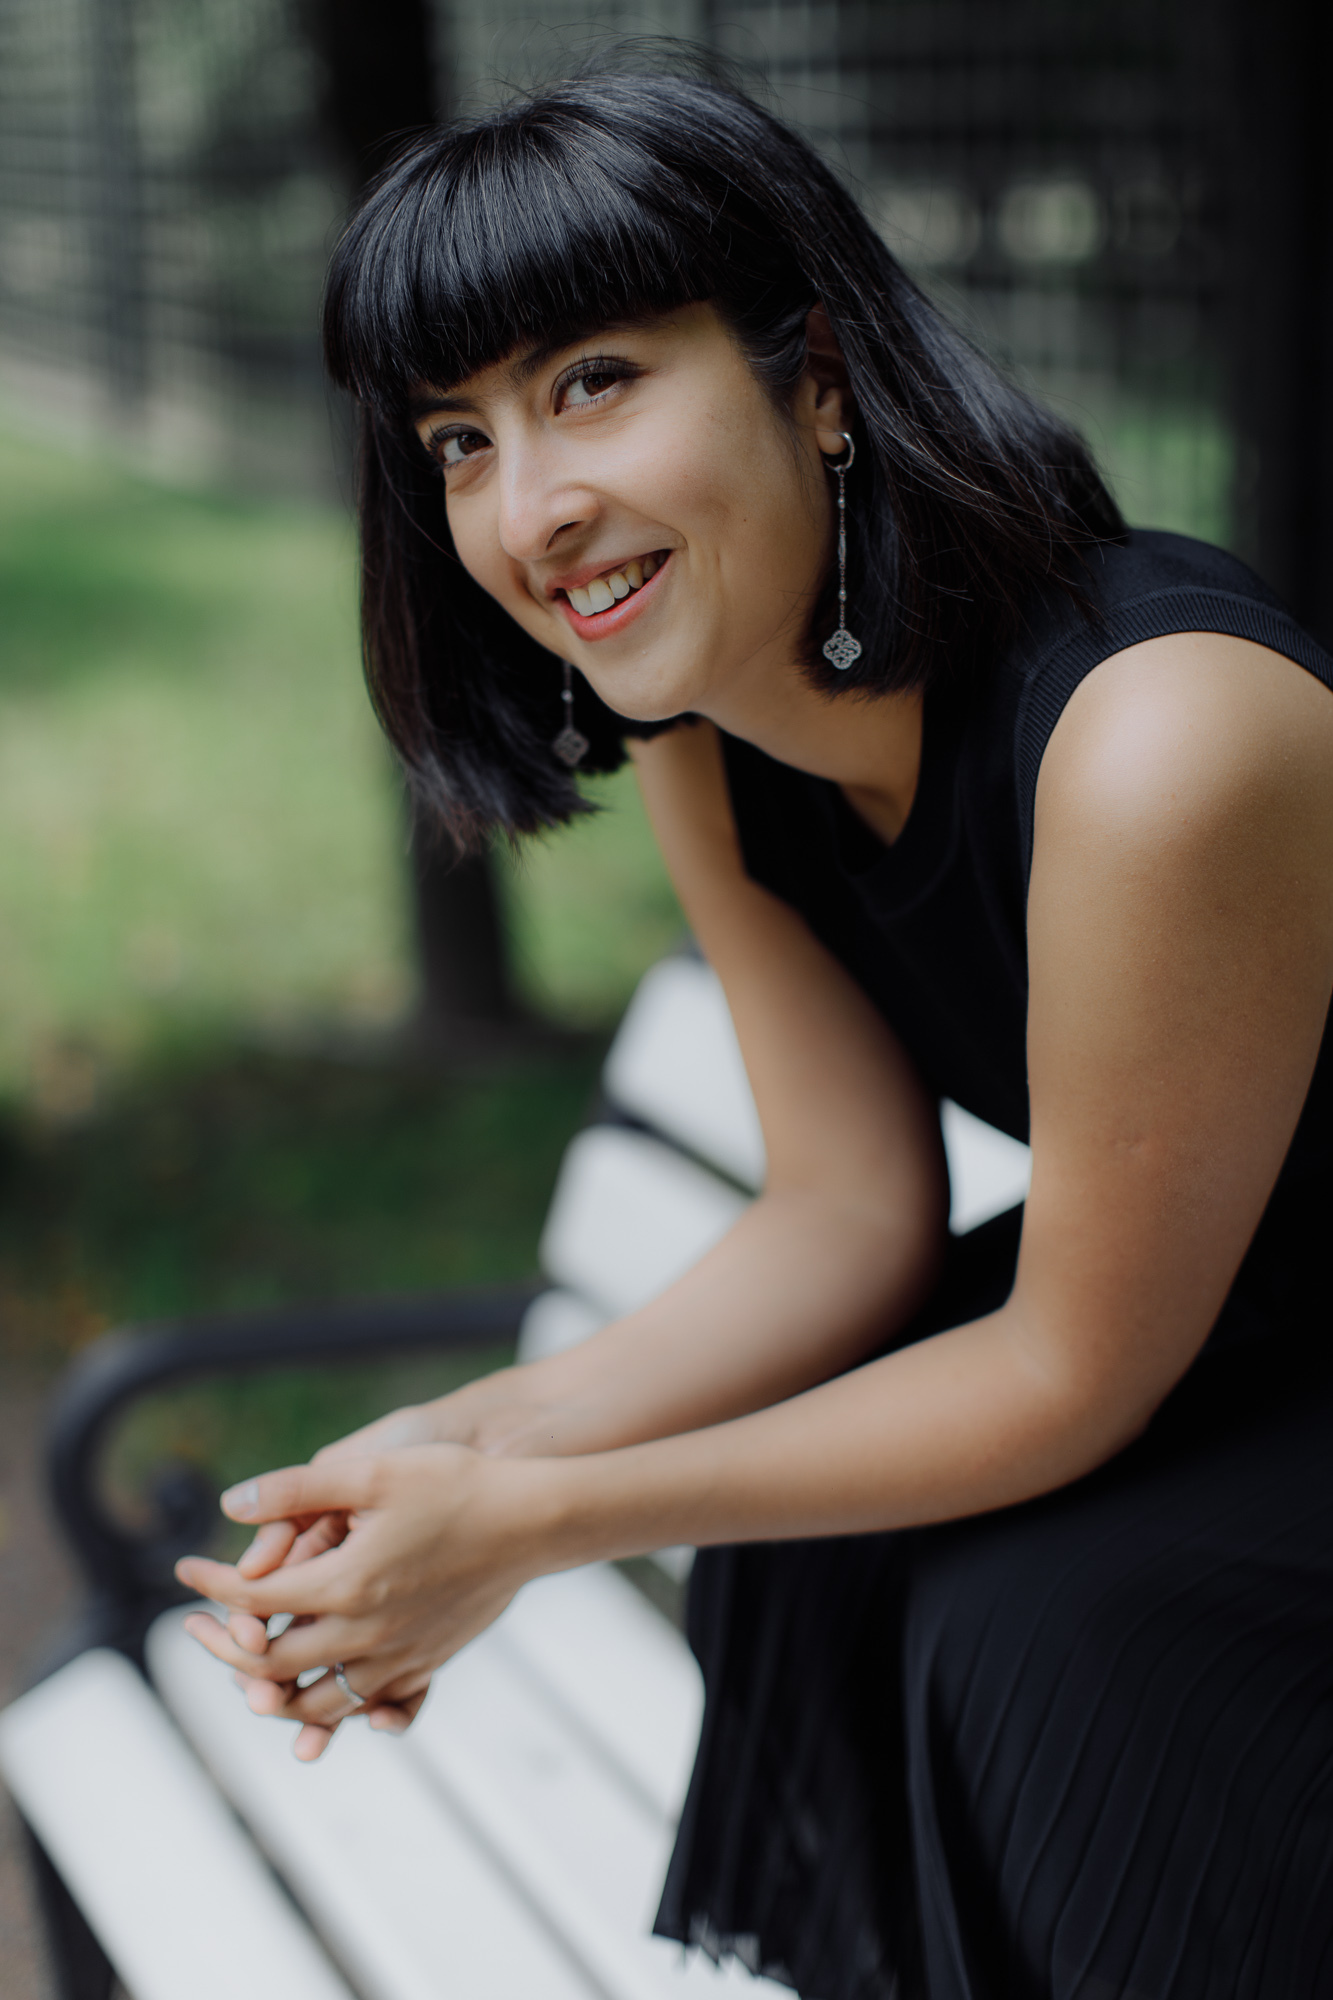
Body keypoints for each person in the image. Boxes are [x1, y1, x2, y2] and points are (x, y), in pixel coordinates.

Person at [176, 64, 1333, 2000]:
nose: (528, 510)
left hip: (1208, 1336)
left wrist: (533, 1518)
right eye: (457, 440)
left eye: (592, 382)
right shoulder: (713, 740)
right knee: (839, 1550)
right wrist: (453, 1444)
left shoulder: (1160, 739)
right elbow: (842, 1211)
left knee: (1041, 1616)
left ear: (819, 377)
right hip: (1238, 1302)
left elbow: (1068, 1365)